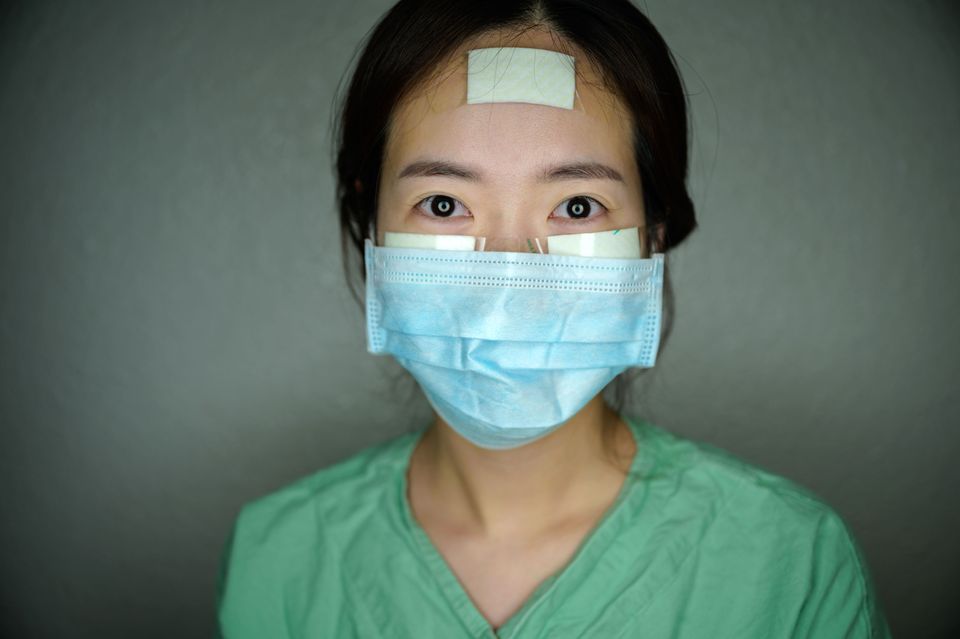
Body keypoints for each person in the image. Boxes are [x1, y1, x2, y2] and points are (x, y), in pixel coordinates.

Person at [216, 1, 891, 637]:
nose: (510, 276)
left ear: (652, 233)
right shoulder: (279, 556)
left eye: (576, 207)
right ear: (372, 223)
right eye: (444, 204)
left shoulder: (792, 563)